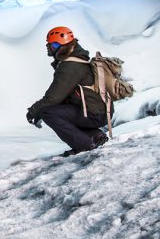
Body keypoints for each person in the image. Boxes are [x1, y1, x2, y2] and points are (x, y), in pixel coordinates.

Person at [25, 26, 109, 156]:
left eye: (52, 44)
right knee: (60, 108)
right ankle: (95, 135)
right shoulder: (76, 60)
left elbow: (53, 97)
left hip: (94, 114)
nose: (49, 47)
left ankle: (84, 145)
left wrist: (33, 111)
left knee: (47, 112)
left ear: (61, 46)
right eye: (49, 44)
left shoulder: (70, 65)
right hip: (96, 111)